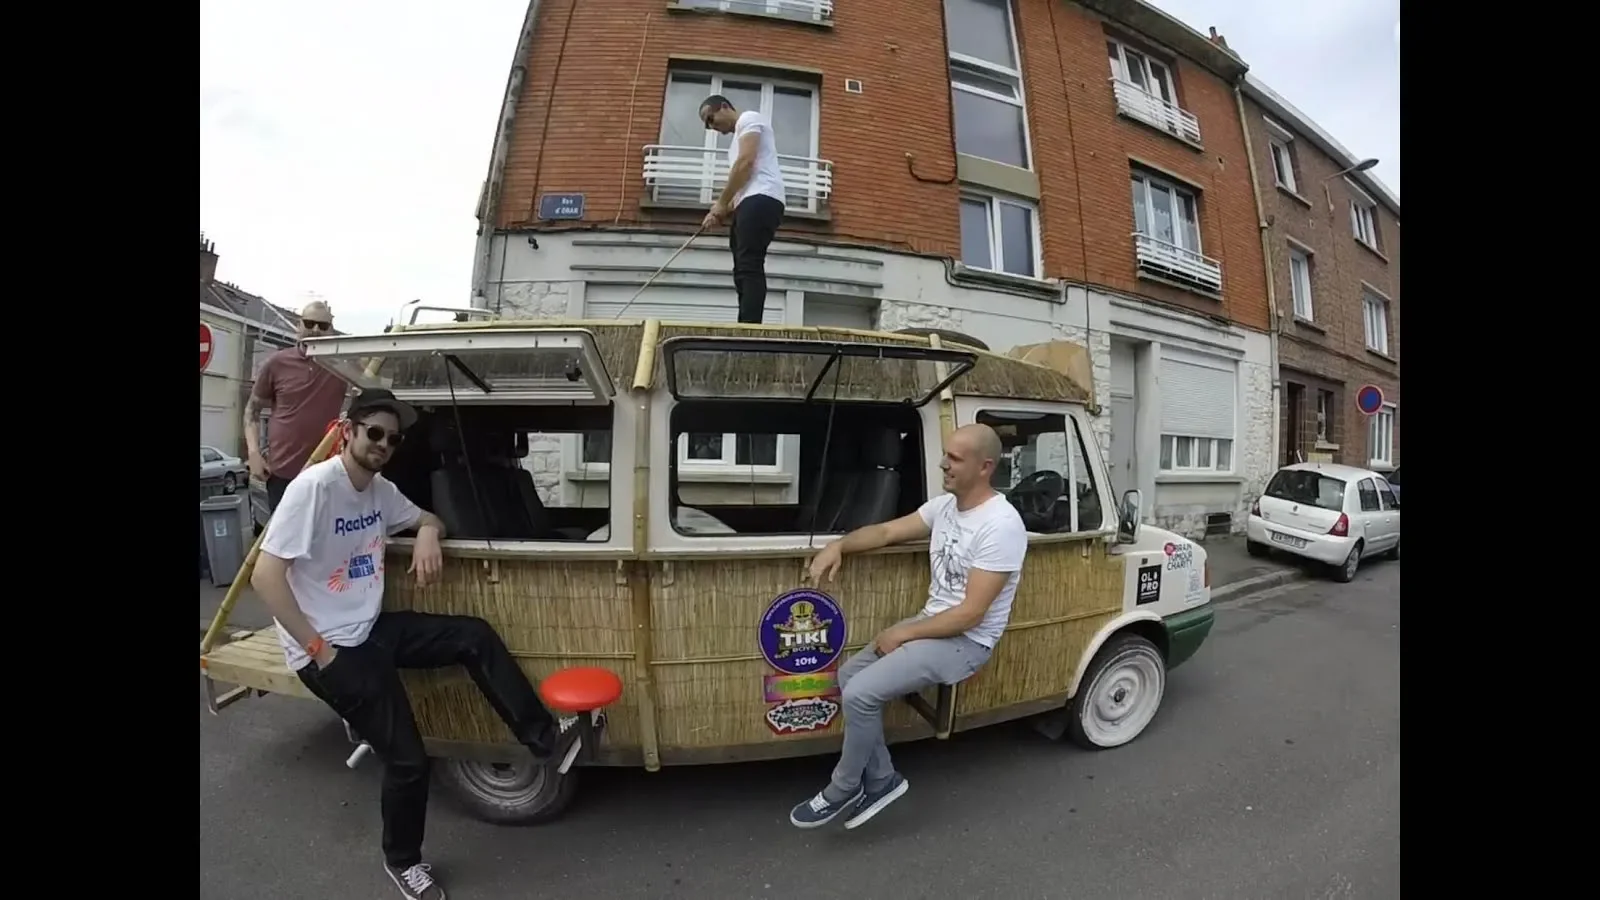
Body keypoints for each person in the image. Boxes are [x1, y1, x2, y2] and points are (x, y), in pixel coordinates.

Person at [251, 388, 574, 900]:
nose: (382, 443)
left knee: (473, 635)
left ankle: (544, 740)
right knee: (407, 760)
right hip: (331, 649)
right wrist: (320, 652)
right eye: (373, 432)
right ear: (349, 431)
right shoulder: (315, 488)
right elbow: (266, 577)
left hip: (372, 628)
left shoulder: (379, 490)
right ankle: (404, 863)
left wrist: (427, 532)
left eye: (392, 437)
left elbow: (429, 518)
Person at [790, 423, 1029, 831]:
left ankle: (843, 787)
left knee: (862, 693)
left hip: (966, 641)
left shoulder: (1001, 525)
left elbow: (971, 614)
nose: (942, 464)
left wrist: (902, 633)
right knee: (849, 676)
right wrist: (839, 546)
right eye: (946, 455)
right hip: (933, 624)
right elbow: (886, 531)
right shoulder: (944, 508)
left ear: (985, 466)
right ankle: (882, 780)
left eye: (954, 458)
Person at [245, 300, 350, 512]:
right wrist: (254, 453)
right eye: (309, 323)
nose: (315, 330)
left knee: (323, 541)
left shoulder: (344, 368)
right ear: (299, 325)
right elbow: (252, 411)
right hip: (282, 475)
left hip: (326, 475)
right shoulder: (276, 363)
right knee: (283, 541)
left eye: (323, 326)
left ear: (331, 330)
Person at [698, 94, 787, 325]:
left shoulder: (749, 119)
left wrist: (720, 203)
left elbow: (746, 164)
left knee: (750, 264)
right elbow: (739, 186)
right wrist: (719, 211)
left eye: (711, 119)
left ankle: (750, 328)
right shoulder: (733, 145)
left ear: (725, 107)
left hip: (763, 197)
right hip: (748, 201)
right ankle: (745, 322)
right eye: (707, 125)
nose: (711, 127)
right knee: (740, 268)